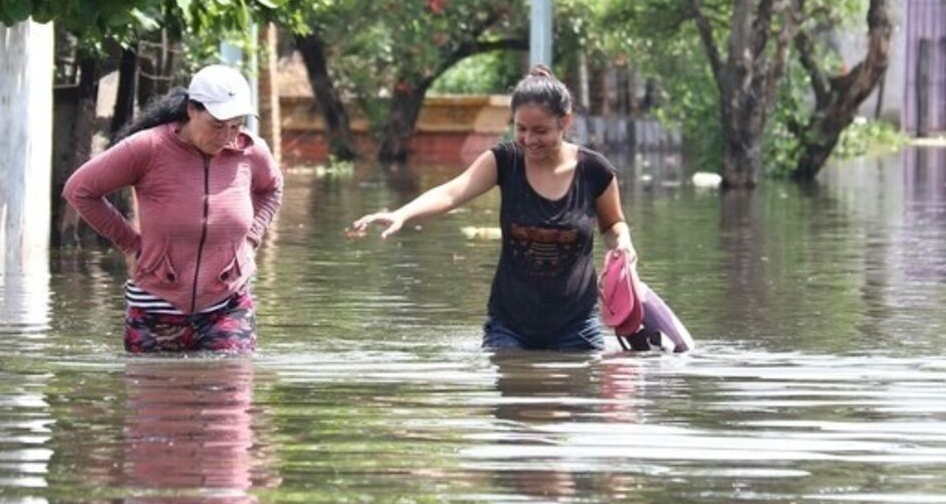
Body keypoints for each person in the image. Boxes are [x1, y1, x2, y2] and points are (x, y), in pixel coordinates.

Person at [351, 66, 634, 351]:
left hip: (577, 326)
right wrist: (402, 214)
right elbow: (451, 192)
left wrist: (623, 241)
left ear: (565, 122)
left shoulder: (594, 170)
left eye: (540, 131)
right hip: (510, 327)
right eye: (521, 129)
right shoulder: (504, 161)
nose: (529, 140)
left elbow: (612, 225)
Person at [63, 64, 283, 354]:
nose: (227, 136)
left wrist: (251, 239)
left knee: (231, 390)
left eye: (236, 125)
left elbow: (272, 188)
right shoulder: (149, 147)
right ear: (192, 109)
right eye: (218, 125)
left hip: (228, 303)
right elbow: (79, 190)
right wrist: (129, 244)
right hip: (156, 305)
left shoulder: (252, 152)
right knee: (158, 392)